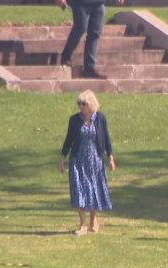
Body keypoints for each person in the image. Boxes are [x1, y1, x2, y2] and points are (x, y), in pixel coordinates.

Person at [58, 89, 116, 235]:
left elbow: (106, 138)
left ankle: (93, 219)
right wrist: (62, 158)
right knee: (79, 190)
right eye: (79, 103)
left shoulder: (100, 118)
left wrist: (110, 157)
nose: (80, 106)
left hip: (95, 160)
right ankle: (83, 224)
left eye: (83, 103)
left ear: (91, 104)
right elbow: (68, 139)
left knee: (94, 189)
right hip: (78, 160)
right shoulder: (74, 120)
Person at [55, 0, 125, 79]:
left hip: (98, 3)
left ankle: (89, 68)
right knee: (80, 28)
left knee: (95, 34)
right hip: (80, 3)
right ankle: (66, 56)